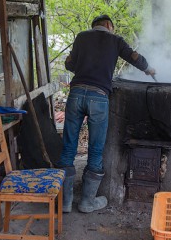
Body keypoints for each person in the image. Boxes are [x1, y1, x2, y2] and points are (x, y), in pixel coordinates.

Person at [58, 14, 155, 213]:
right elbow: (134, 57)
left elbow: (69, 64)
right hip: (99, 98)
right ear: (109, 25)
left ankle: (66, 203)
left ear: (94, 26)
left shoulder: (81, 37)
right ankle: (86, 202)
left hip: (76, 95)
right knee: (95, 149)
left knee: (68, 148)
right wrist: (148, 69)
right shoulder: (116, 40)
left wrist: (83, 63)